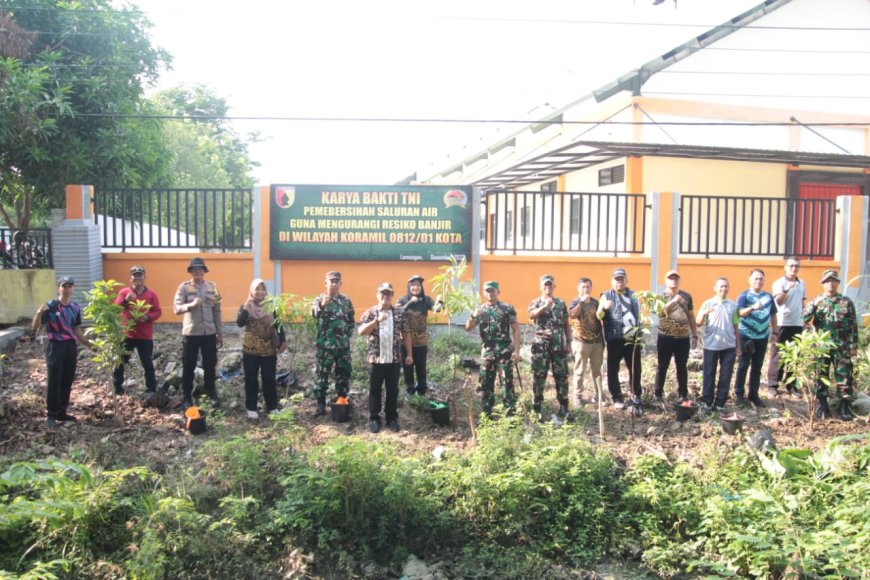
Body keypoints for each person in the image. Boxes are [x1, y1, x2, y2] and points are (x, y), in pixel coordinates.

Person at [31, 276, 93, 428]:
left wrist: (88, 344)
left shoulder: (75, 308)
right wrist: (39, 312)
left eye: (70, 286)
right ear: (58, 288)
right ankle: (51, 415)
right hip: (55, 345)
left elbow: (77, 329)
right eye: (64, 286)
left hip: (70, 346)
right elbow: (35, 327)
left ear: (73, 288)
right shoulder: (51, 306)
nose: (67, 289)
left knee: (67, 379)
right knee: (54, 380)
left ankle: (61, 411)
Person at [802, 270, 858, 421]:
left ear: (838, 283)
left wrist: (853, 346)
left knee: (845, 376)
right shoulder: (817, 300)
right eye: (827, 281)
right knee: (821, 375)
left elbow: (853, 325)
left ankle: (844, 407)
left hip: (842, 346)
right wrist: (814, 306)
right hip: (822, 346)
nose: (830, 284)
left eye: (833, 281)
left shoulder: (846, 302)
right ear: (823, 284)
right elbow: (804, 318)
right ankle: (823, 405)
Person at [358, 282, 413, 432]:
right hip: (376, 359)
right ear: (377, 295)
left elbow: (407, 335)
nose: (385, 296)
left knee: (392, 390)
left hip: (394, 359)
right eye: (382, 293)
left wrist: (409, 354)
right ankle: (374, 418)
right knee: (374, 390)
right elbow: (361, 331)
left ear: (392, 296)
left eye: (388, 293)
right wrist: (377, 321)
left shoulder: (400, 313)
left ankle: (391, 418)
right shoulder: (370, 313)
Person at [465, 281, 521, 416]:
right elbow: (468, 328)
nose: (490, 293)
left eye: (493, 290)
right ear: (484, 293)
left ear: (498, 292)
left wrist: (517, 351)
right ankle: (487, 415)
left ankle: (510, 417)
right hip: (487, 352)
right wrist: (473, 315)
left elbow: (516, 329)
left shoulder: (507, 308)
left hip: (504, 352)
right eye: (488, 291)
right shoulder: (480, 310)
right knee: (485, 384)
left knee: (507, 384)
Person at [173, 257, 222, 410]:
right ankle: (187, 396)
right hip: (191, 333)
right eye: (195, 269)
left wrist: (219, 332)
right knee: (189, 365)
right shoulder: (184, 288)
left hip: (209, 333)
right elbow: (176, 308)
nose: (198, 272)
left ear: (204, 271)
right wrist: (191, 305)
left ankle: (210, 393)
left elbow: (217, 310)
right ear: (191, 271)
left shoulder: (213, 287)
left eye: (200, 269)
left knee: (210, 365)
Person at [237, 279, 286, 419]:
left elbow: (278, 325)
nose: (260, 292)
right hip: (250, 350)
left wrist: (283, 340)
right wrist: (245, 310)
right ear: (252, 290)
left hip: (268, 349)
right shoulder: (246, 305)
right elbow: (240, 323)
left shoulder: (272, 306)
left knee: (269, 378)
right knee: (251, 378)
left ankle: (272, 406)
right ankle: (251, 408)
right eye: (257, 289)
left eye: (262, 289)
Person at [112, 265, 162, 397]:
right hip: (127, 333)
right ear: (131, 278)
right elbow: (115, 309)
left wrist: (148, 317)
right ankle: (117, 388)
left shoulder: (151, 294)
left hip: (144, 335)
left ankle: (151, 389)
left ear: (145, 277)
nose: (137, 278)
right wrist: (125, 301)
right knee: (121, 362)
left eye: (140, 275)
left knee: (147, 363)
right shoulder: (124, 292)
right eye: (135, 275)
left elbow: (158, 311)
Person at [597, 268, 643, 414]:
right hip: (615, 338)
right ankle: (617, 397)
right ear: (612, 281)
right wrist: (604, 307)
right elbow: (598, 315)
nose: (619, 282)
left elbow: (639, 315)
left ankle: (635, 394)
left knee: (635, 367)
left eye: (622, 279)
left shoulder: (634, 295)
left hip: (631, 337)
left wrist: (640, 334)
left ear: (626, 281)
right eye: (616, 279)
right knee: (613, 368)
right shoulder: (606, 295)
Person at [311, 271, 355, 416]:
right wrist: (322, 305)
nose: (334, 284)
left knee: (343, 373)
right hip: (325, 346)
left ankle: (341, 401)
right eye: (331, 281)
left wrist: (346, 336)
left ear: (340, 284)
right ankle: (320, 403)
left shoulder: (346, 300)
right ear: (326, 283)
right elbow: (314, 314)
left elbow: (350, 320)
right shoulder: (319, 299)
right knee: (322, 374)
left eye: (337, 281)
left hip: (342, 346)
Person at [528, 274, 571, 418]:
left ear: (554, 286)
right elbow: (532, 315)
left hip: (559, 345)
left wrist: (569, 342)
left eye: (550, 284)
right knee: (539, 376)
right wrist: (545, 306)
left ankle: (564, 408)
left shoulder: (560, 303)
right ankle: (537, 408)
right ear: (541, 287)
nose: (548, 287)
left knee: (562, 376)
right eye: (545, 285)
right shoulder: (536, 302)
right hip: (541, 346)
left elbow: (566, 323)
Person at [735, 269, 777, 408]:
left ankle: (753, 395)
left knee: (757, 367)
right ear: (750, 280)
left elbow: (773, 315)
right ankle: (739, 395)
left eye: (761, 279)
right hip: (746, 335)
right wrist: (753, 307)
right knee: (743, 365)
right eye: (755, 279)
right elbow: (740, 313)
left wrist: (775, 332)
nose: (758, 281)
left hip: (762, 337)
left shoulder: (768, 297)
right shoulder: (744, 296)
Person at [696, 278, 740, 413]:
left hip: (729, 346)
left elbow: (736, 326)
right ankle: (707, 403)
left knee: (725, 376)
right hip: (711, 345)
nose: (724, 289)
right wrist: (704, 313)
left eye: (726, 286)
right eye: (721, 286)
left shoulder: (732, 305)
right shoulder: (707, 304)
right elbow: (698, 323)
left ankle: (720, 403)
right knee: (709, 374)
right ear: (715, 288)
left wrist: (738, 346)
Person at [653, 270, 698, 403]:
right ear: (666, 281)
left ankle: (683, 395)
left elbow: (691, 316)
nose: (673, 280)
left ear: (679, 280)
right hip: (665, 338)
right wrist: (673, 301)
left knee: (682, 367)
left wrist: (694, 335)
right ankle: (658, 394)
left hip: (682, 339)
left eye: (676, 278)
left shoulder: (686, 296)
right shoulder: (660, 296)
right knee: (662, 366)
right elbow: (659, 313)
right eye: (670, 278)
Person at [395, 274, 443, 396]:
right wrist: (410, 302)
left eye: (418, 285)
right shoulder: (402, 299)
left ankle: (422, 391)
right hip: (405, 339)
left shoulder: (426, 300)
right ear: (409, 287)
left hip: (421, 340)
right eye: (413, 285)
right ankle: (410, 390)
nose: (415, 287)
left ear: (421, 287)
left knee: (421, 366)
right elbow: (397, 313)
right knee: (408, 366)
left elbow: (437, 309)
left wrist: (440, 301)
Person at [767, 257, 805, 397]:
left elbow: (802, 303)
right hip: (782, 323)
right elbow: (779, 301)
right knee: (777, 355)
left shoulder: (802, 283)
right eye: (791, 266)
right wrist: (786, 289)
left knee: (795, 356)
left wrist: (805, 320)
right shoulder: (779, 283)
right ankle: (772, 385)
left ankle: (791, 385)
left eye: (796, 266)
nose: (793, 268)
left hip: (797, 324)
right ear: (785, 267)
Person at [568, 277, 604, 407]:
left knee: (596, 370)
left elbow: (601, 318)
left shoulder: (595, 302)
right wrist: (581, 303)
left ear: (591, 287)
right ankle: (577, 396)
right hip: (581, 342)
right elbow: (572, 315)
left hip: (597, 342)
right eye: (583, 287)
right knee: (579, 370)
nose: (585, 289)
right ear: (578, 288)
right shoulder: (575, 301)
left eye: (588, 286)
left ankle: (598, 395)